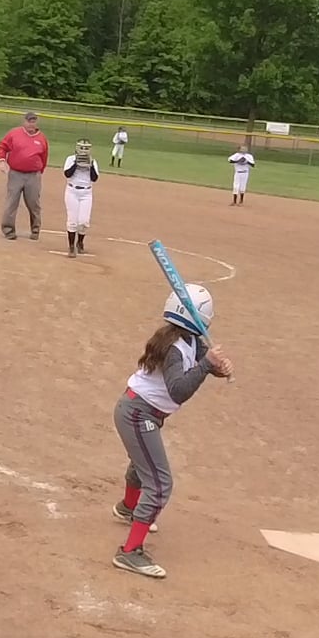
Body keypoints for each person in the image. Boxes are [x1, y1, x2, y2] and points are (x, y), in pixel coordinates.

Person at [111, 285, 233, 579]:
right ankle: (130, 552)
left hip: (139, 411)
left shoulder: (187, 340)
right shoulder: (174, 348)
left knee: (142, 466)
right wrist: (207, 365)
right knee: (159, 483)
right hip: (138, 414)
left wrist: (218, 367)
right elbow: (179, 390)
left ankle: (128, 508)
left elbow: (202, 362)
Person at [0, 111, 48, 240]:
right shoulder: (14, 133)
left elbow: (44, 157)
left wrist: (39, 171)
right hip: (16, 174)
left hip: (33, 175)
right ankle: (8, 230)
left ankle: (35, 230)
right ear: (24, 121)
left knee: (34, 204)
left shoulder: (42, 138)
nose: (31, 124)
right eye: (29, 121)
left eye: (33, 121)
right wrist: (2, 161)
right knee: (11, 202)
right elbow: (2, 147)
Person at [61, 139, 99, 258]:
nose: (84, 150)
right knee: (72, 220)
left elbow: (94, 178)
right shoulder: (70, 159)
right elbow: (67, 174)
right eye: (81, 148)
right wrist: (76, 164)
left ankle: (80, 242)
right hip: (72, 191)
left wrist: (90, 165)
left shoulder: (93, 161)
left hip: (86, 192)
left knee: (84, 221)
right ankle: (71, 246)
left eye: (86, 148)